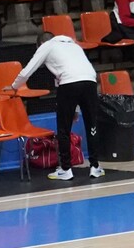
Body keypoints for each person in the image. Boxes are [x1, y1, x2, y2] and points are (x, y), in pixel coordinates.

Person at [7, 33, 103, 182]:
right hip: (90, 82)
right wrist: (75, 110)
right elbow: (77, 74)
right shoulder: (74, 46)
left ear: (40, 44)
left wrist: (14, 86)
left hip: (69, 84)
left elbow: (27, 71)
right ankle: (95, 167)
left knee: (64, 129)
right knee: (92, 126)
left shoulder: (47, 45)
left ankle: (66, 169)